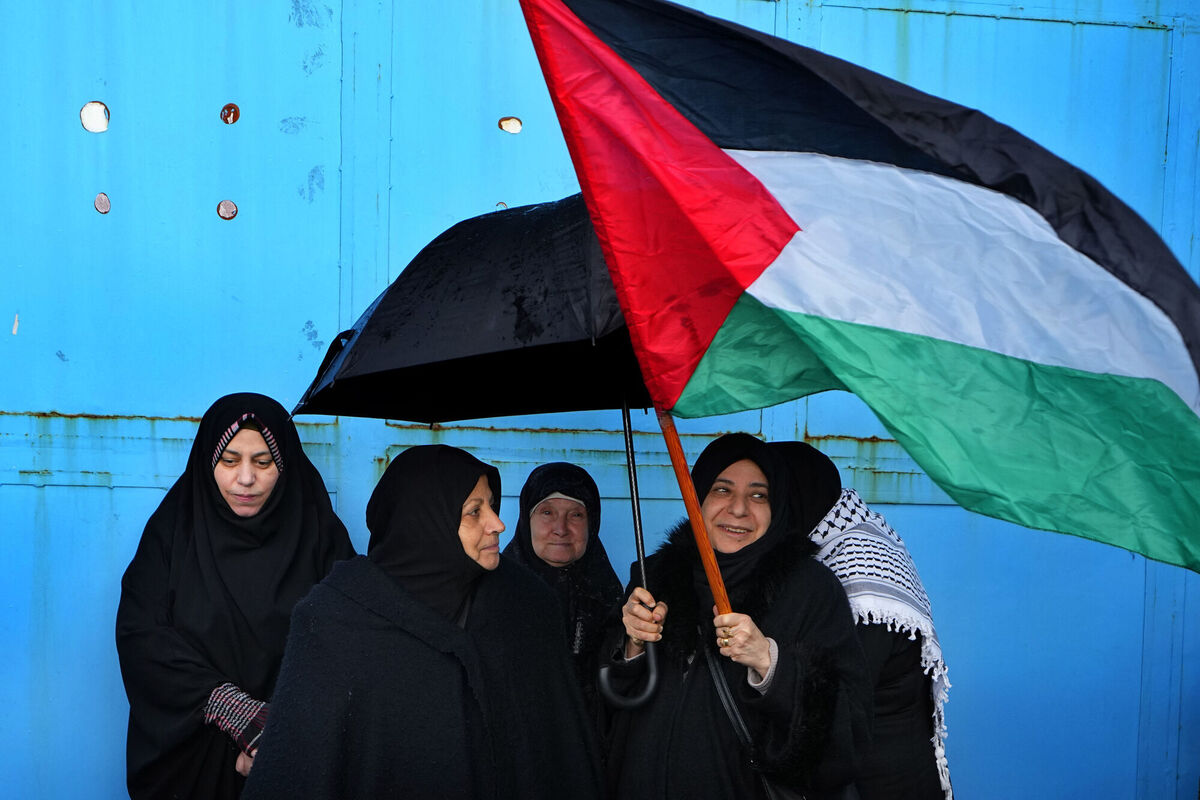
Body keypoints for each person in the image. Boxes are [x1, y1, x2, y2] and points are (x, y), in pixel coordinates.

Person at [241, 444, 604, 799]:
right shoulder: (334, 620)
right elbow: (299, 768)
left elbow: (561, 754)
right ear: (424, 521)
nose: (498, 523)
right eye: (474, 512)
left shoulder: (525, 603)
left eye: (491, 505)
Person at [604, 433, 872, 799]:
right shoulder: (655, 578)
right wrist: (632, 645)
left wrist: (769, 662)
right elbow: (606, 705)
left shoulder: (810, 591)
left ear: (777, 505)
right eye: (722, 490)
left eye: (758, 495)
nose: (739, 509)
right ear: (698, 498)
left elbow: (849, 729)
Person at [115, 392, 355, 800]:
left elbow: (347, 642)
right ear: (208, 461)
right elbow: (142, 639)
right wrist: (233, 711)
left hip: (298, 756)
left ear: (285, 464)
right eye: (229, 461)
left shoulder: (320, 538)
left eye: (263, 462)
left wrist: (277, 733)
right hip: (192, 761)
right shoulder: (172, 535)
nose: (246, 479)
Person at [772, 441, 951, 800]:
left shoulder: (856, 580)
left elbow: (826, 705)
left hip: (879, 784)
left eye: (768, 497)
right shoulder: (850, 539)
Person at [503, 462, 624, 718]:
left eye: (576, 515)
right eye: (547, 512)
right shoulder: (495, 593)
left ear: (592, 523)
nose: (561, 529)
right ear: (526, 520)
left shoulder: (608, 596)